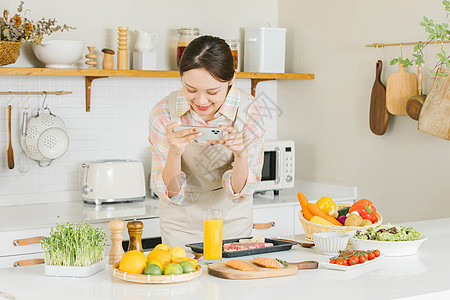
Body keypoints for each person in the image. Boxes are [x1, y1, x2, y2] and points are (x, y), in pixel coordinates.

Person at [149, 35, 265, 247]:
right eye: (190, 90)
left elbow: (240, 193)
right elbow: (170, 194)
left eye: (212, 92)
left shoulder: (251, 112)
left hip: (232, 226)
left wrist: (241, 155)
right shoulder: (163, 113)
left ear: (232, 79)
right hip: (180, 227)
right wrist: (174, 153)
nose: (201, 101)